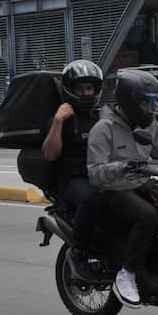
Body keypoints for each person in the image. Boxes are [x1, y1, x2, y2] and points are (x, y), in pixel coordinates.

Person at [87, 70, 158, 308]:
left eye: (154, 102)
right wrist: (123, 166)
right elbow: (95, 173)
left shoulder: (150, 124)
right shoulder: (104, 129)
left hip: (141, 184)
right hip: (112, 191)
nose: (151, 108)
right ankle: (127, 274)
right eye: (146, 103)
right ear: (130, 101)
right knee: (147, 215)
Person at [42, 60, 105, 282]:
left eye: (89, 88)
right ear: (70, 90)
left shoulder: (101, 118)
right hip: (73, 181)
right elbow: (50, 154)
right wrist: (58, 122)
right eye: (80, 88)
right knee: (91, 197)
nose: (86, 93)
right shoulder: (62, 118)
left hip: (102, 176)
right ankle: (78, 253)